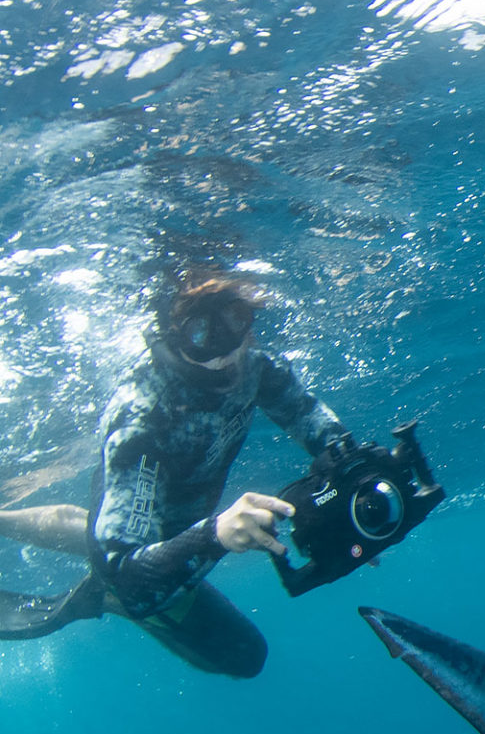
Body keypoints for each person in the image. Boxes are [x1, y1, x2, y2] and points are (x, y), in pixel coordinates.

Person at [0, 269, 352, 677]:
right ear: (171, 335)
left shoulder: (256, 368)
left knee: (103, 526)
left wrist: (351, 493)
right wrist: (215, 535)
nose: (225, 350)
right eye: (201, 332)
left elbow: (307, 416)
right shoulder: (144, 417)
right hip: (137, 563)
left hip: (141, 520)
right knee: (244, 656)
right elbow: (129, 573)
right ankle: (102, 597)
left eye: (234, 319)